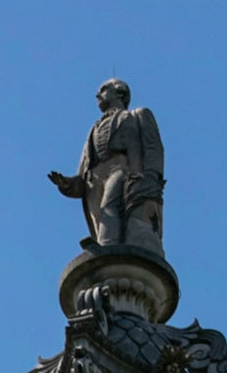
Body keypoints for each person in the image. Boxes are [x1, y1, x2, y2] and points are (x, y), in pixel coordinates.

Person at [49, 80, 165, 254]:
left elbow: (153, 147)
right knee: (101, 217)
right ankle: (103, 246)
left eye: (103, 90)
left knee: (108, 206)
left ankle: (107, 249)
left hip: (121, 169)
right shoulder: (93, 130)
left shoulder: (137, 115)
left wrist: (150, 176)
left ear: (120, 93)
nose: (97, 95)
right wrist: (68, 184)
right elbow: (83, 171)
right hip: (94, 180)